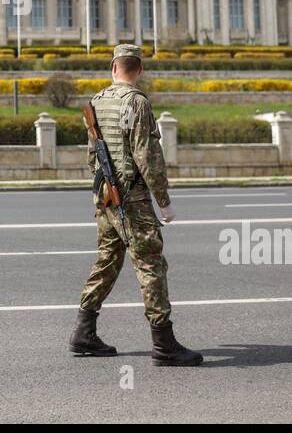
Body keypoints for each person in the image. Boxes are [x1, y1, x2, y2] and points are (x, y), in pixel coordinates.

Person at [70, 44, 203, 365]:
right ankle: (164, 343)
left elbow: (92, 156)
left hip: (106, 198)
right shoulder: (138, 103)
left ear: (113, 67)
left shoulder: (97, 103)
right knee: (151, 266)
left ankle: (83, 332)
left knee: (107, 261)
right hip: (132, 199)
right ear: (139, 70)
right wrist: (164, 202)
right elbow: (147, 155)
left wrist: (103, 191)